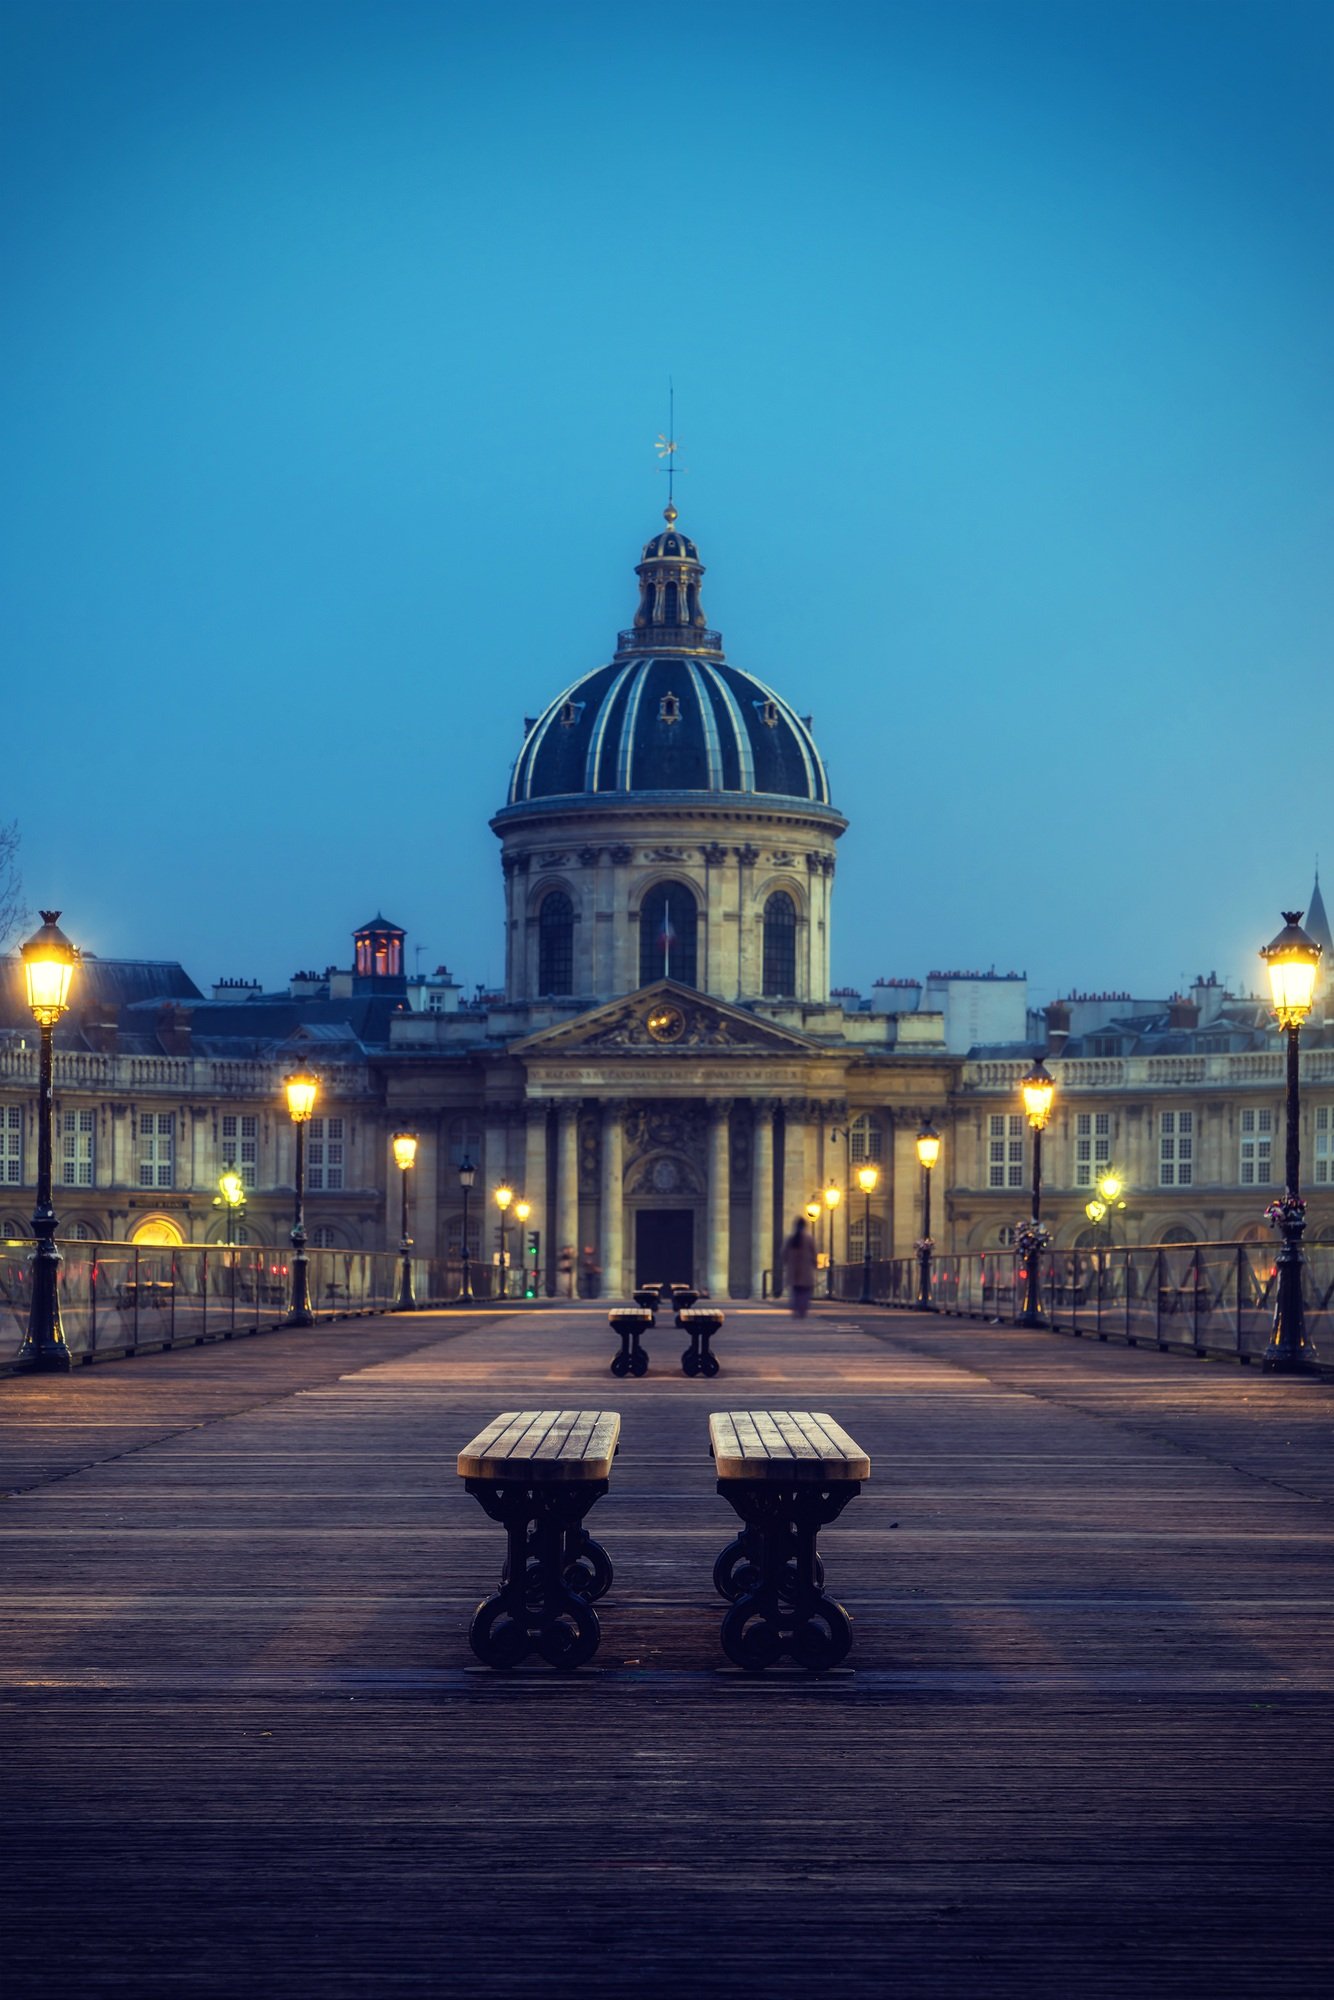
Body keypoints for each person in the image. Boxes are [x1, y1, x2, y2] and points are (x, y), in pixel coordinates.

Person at [781, 1215, 818, 1319]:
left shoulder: (790, 1239)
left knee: (796, 1292)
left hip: (793, 1271)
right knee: (805, 1292)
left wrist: (788, 1264)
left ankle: (796, 1309)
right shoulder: (809, 1238)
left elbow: (784, 1254)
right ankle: (802, 1310)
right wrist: (815, 1264)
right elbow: (814, 1253)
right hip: (805, 1271)